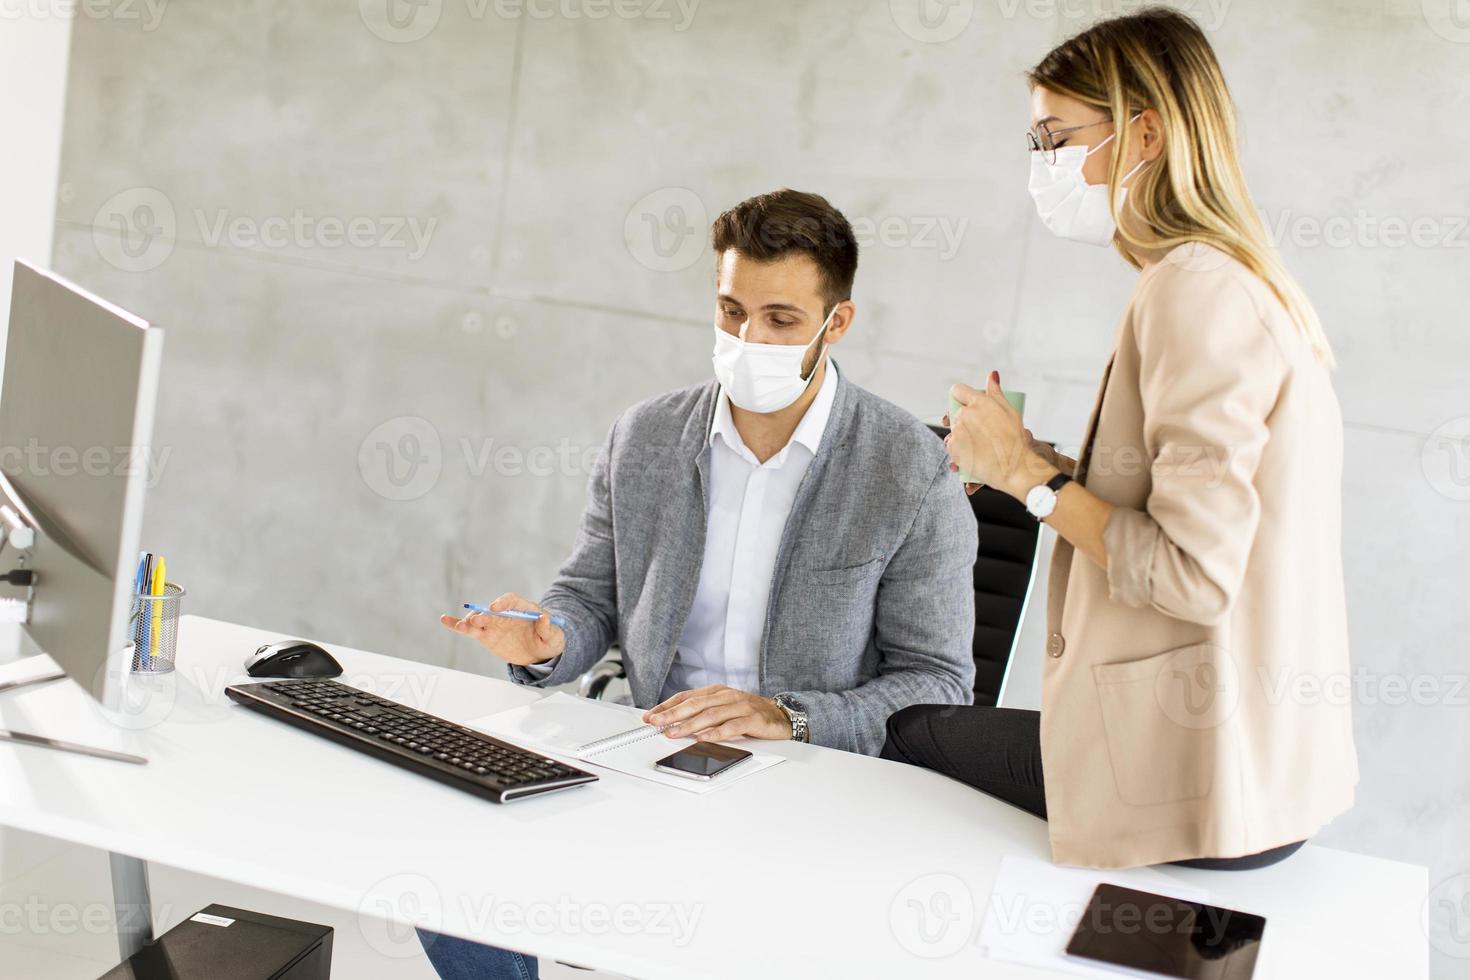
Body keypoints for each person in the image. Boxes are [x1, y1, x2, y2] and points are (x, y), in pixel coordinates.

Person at [419, 188, 977, 978]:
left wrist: (786, 717)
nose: (748, 338)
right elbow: (592, 596)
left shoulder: (911, 469)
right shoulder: (646, 435)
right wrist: (550, 639)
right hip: (646, 747)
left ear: (835, 323)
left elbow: (938, 686)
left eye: (780, 319)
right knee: (449, 871)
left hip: (808, 780)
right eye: (729, 311)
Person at [883, 8, 1358, 871]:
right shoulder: (1236, 283)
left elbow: (1191, 572)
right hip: (1248, 770)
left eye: (1055, 138)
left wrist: (1029, 477)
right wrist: (1041, 465)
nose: (1043, 167)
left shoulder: (1196, 292)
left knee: (903, 734)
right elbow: (1188, 500)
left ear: (1144, 133)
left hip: (1201, 779)